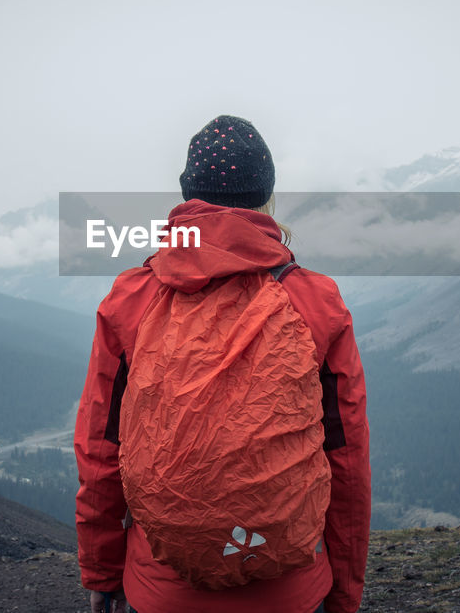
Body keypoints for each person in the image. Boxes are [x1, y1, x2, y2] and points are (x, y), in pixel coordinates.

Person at [74, 115, 371, 613]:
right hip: (292, 594)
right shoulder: (315, 301)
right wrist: (342, 589)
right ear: (266, 197)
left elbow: (101, 454)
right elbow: (346, 461)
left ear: (190, 197)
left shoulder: (131, 299)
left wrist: (102, 574)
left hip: (160, 592)